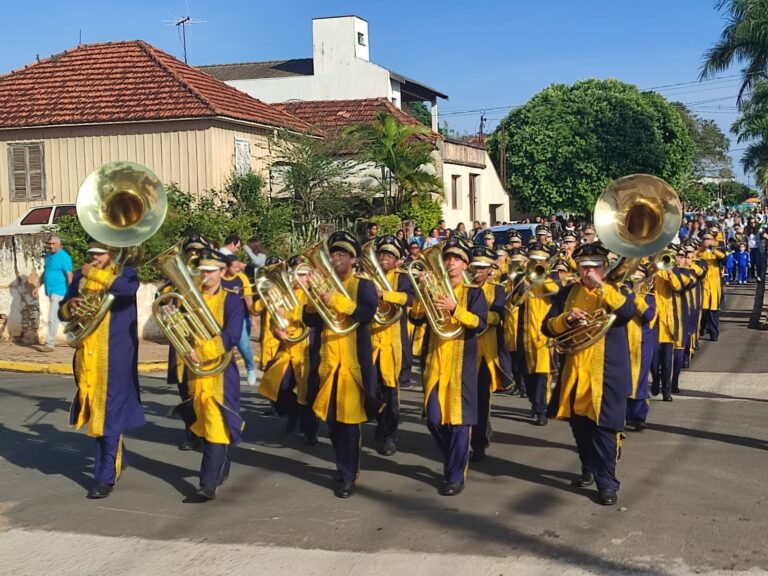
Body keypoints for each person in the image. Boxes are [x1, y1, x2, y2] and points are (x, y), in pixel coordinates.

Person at [542, 242, 636, 506]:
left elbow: (628, 312)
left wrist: (602, 288)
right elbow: (547, 327)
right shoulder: (567, 292)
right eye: (584, 267)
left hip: (608, 372)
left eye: (595, 266)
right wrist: (567, 320)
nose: (589, 271)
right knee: (580, 426)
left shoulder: (619, 289)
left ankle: (607, 483)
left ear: (605, 267)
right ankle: (588, 466)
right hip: (575, 369)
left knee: (605, 428)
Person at [58, 240, 143, 499]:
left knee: (108, 414)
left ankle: (105, 477)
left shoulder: (125, 272)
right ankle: (120, 455)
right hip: (87, 356)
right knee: (99, 410)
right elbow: (64, 311)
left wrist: (95, 273)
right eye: (92, 255)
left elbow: (128, 290)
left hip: (115, 355)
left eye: (100, 255)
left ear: (111, 254)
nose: (94, 259)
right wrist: (70, 308)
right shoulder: (82, 278)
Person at [301, 231, 382, 498]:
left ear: (353, 259)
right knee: (333, 424)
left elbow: (366, 314)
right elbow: (310, 321)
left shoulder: (364, 285)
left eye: (342, 255)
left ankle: (349, 475)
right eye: (333, 254)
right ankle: (342, 466)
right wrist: (314, 301)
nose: (336, 259)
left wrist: (335, 300)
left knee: (348, 425)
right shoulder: (324, 284)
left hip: (353, 366)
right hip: (327, 364)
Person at [409, 238, 487, 496]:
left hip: (462, 363)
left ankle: (454, 475)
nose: (451, 263)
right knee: (433, 419)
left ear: (466, 264)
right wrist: (421, 293)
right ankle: (455, 456)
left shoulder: (474, 292)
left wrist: (455, 309)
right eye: (447, 258)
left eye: (456, 259)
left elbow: (480, 324)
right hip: (434, 362)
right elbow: (416, 319)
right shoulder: (433, 288)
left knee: (459, 422)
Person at [168, 247, 245, 500]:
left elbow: (232, 335)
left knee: (214, 424)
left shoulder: (232, 299)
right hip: (196, 372)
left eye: (211, 271)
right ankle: (222, 461)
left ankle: (206, 485)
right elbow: (182, 330)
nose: (205, 275)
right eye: (202, 271)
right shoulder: (189, 298)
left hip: (220, 371)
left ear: (222, 272)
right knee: (207, 423)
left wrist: (203, 351)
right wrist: (172, 318)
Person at [258, 257, 316, 442]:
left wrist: (288, 313)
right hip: (287, 348)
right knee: (276, 385)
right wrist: (277, 330)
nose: (299, 278)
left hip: (308, 349)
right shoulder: (283, 293)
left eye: (303, 275)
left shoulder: (315, 293)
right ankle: (292, 413)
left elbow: (309, 315)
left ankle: (310, 433)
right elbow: (272, 321)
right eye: (296, 274)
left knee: (306, 394)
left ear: (311, 275)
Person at [370, 235, 414, 456]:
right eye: (382, 254)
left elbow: (410, 299)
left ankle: (390, 434)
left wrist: (384, 294)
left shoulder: (403, 277)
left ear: (397, 260)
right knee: (374, 391)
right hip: (372, 342)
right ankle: (381, 425)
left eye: (390, 255)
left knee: (391, 393)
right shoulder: (368, 276)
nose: (385, 257)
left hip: (393, 343)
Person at [469, 245, 513, 461]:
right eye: (474, 266)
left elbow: (497, 317)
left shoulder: (497, 289)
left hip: (485, 353)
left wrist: (475, 316)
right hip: (460, 351)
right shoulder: (460, 287)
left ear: (490, 270)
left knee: (480, 400)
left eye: (481, 267)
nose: (477, 271)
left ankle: (478, 443)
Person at [509, 242, 560, 425]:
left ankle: (541, 410)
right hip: (524, 333)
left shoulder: (552, 276)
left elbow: (556, 292)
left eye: (540, 259)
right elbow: (514, 302)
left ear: (546, 261)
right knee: (527, 373)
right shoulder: (521, 277)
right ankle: (535, 402)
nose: (537, 262)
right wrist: (522, 288)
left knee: (542, 374)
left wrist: (543, 277)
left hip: (543, 333)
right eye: (533, 259)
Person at [625, 264, 656, 432]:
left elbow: (649, 316)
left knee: (640, 378)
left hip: (642, 340)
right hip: (623, 340)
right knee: (624, 377)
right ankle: (625, 413)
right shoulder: (623, 293)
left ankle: (639, 416)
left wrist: (635, 297)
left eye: (639, 278)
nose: (636, 281)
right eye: (633, 278)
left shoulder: (648, 296)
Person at [33, 234, 73, 351]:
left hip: (60, 291)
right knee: (61, 318)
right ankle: (80, 336)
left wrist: (71, 292)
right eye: (49, 244)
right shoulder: (49, 256)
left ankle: (49, 344)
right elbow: (46, 273)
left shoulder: (64, 257)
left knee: (52, 317)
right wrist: (37, 287)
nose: (51, 246)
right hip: (50, 291)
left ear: (59, 244)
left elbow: (69, 275)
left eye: (53, 244)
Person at [222, 257, 257, 385]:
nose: (238, 270)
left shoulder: (242, 278)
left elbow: (248, 298)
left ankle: (250, 367)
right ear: (226, 267)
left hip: (241, 317)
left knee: (243, 346)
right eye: (235, 267)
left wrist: (253, 317)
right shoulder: (219, 278)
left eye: (239, 267)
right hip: (223, 318)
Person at [699, 232, 726, 341]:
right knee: (704, 310)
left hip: (715, 285)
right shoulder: (699, 251)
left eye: (709, 239)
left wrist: (713, 249)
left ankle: (714, 333)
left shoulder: (717, 250)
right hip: (703, 284)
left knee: (714, 311)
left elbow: (724, 259)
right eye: (705, 239)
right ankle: (703, 329)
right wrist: (702, 249)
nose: (706, 240)